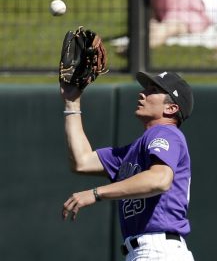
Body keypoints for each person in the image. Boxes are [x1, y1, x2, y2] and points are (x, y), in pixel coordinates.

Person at [61, 71, 195, 260]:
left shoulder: (166, 133)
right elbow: (81, 161)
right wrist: (72, 104)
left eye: (153, 90)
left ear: (171, 108)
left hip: (158, 250)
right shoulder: (134, 151)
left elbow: (160, 179)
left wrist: (95, 194)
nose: (142, 93)